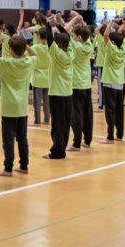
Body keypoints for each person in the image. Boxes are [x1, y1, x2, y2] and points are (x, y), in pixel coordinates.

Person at [0, 33, 35, 176]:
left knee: (8, 141)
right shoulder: (28, 61)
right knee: (22, 139)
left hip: (9, 107)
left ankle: (8, 168)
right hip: (22, 108)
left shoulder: (7, 62)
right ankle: (24, 166)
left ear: (11, 50)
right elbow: (35, 54)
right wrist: (24, 44)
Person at [44, 13, 75, 159]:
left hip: (56, 92)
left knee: (56, 124)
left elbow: (50, 41)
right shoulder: (71, 52)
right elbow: (67, 36)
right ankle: (62, 148)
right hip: (68, 93)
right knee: (65, 123)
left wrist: (49, 25)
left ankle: (57, 151)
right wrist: (59, 26)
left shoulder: (56, 53)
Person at [98, 18, 125, 141]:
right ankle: (120, 135)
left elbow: (105, 35)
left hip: (108, 82)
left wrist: (110, 22)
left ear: (113, 42)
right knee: (119, 110)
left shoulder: (112, 49)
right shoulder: (124, 48)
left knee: (109, 110)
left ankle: (110, 136)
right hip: (119, 83)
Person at [69, 17, 94, 149]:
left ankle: (76, 142)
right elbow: (87, 33)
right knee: (87, 113)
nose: (72, 37)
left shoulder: (76, 46)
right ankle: (87, 140)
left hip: (76, 84)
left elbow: (65, 31)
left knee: (76, 115)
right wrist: (81, 21)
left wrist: (74, 20)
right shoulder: (88, 45)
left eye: (74, 36)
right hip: (87, 85)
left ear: (78, 37)